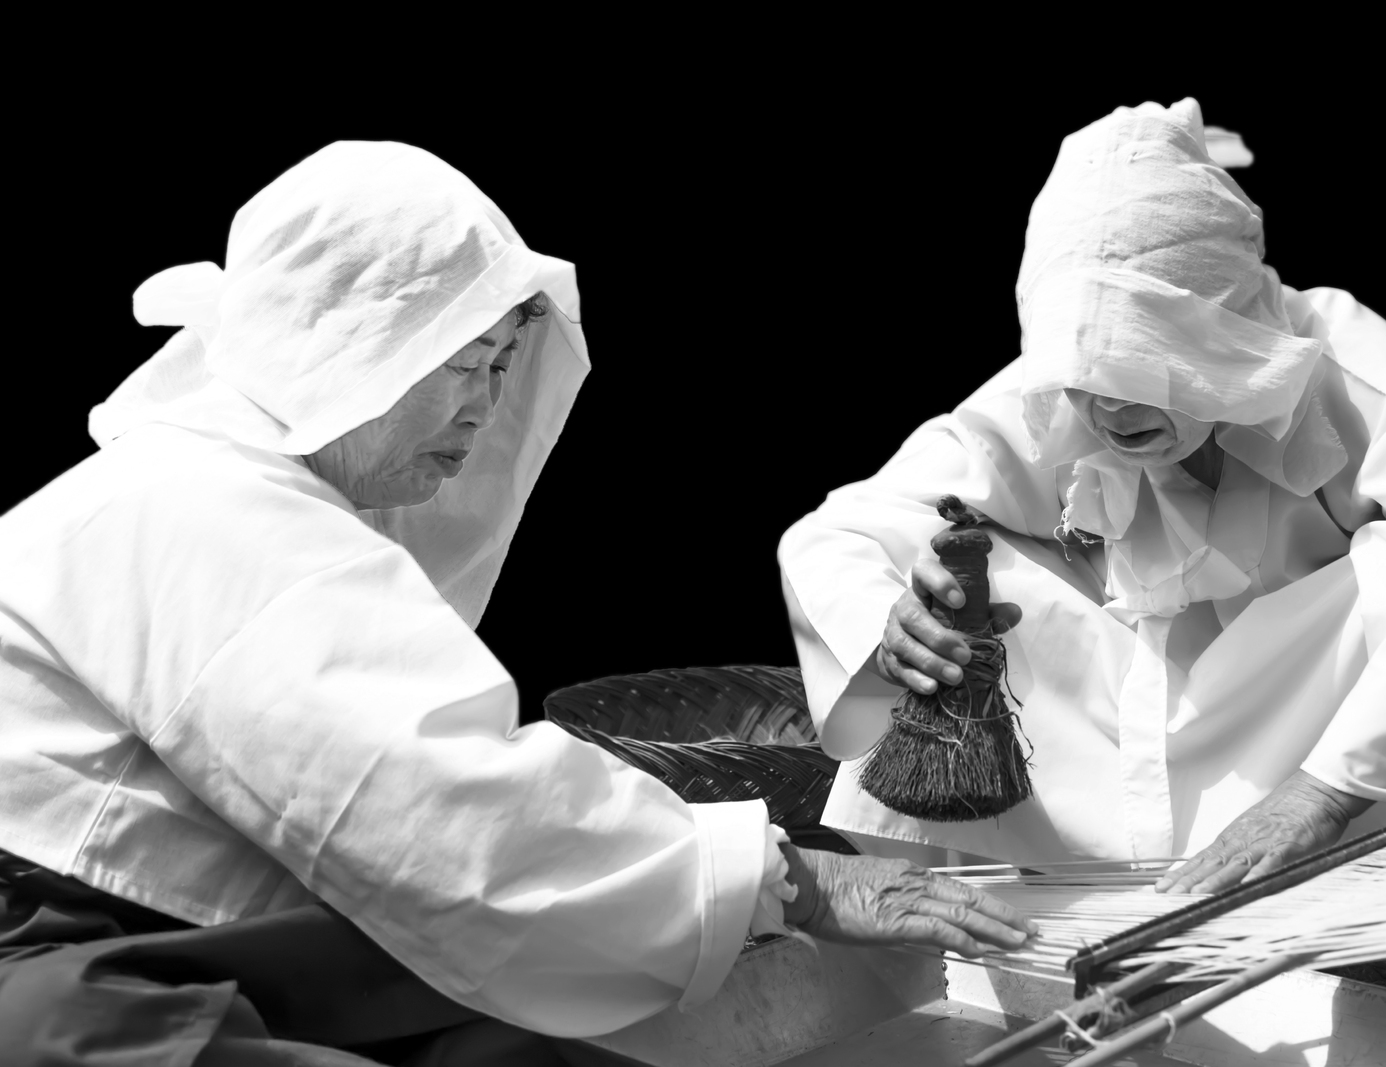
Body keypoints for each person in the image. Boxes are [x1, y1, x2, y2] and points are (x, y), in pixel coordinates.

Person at [0, 141, 1035, 1065]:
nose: (485, 406)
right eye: (461, 364)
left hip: (157, 943)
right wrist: (787, 880)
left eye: (499, 366)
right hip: (58, 971)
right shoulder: (207, 506)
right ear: (351, 345)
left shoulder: (214, 481)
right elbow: (432, 797)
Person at [778, 100, 1386, 1009]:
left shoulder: (1335, 354)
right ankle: (1017, 926)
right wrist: (893, 619)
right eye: (1085, 379)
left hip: (1312, 724)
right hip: (1119, 732)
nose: (1107, 410)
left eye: (1142, 368)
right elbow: (839, 531)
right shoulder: (1059, 384)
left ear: (1217, 332)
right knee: (949, 562)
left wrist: (1320, 795)